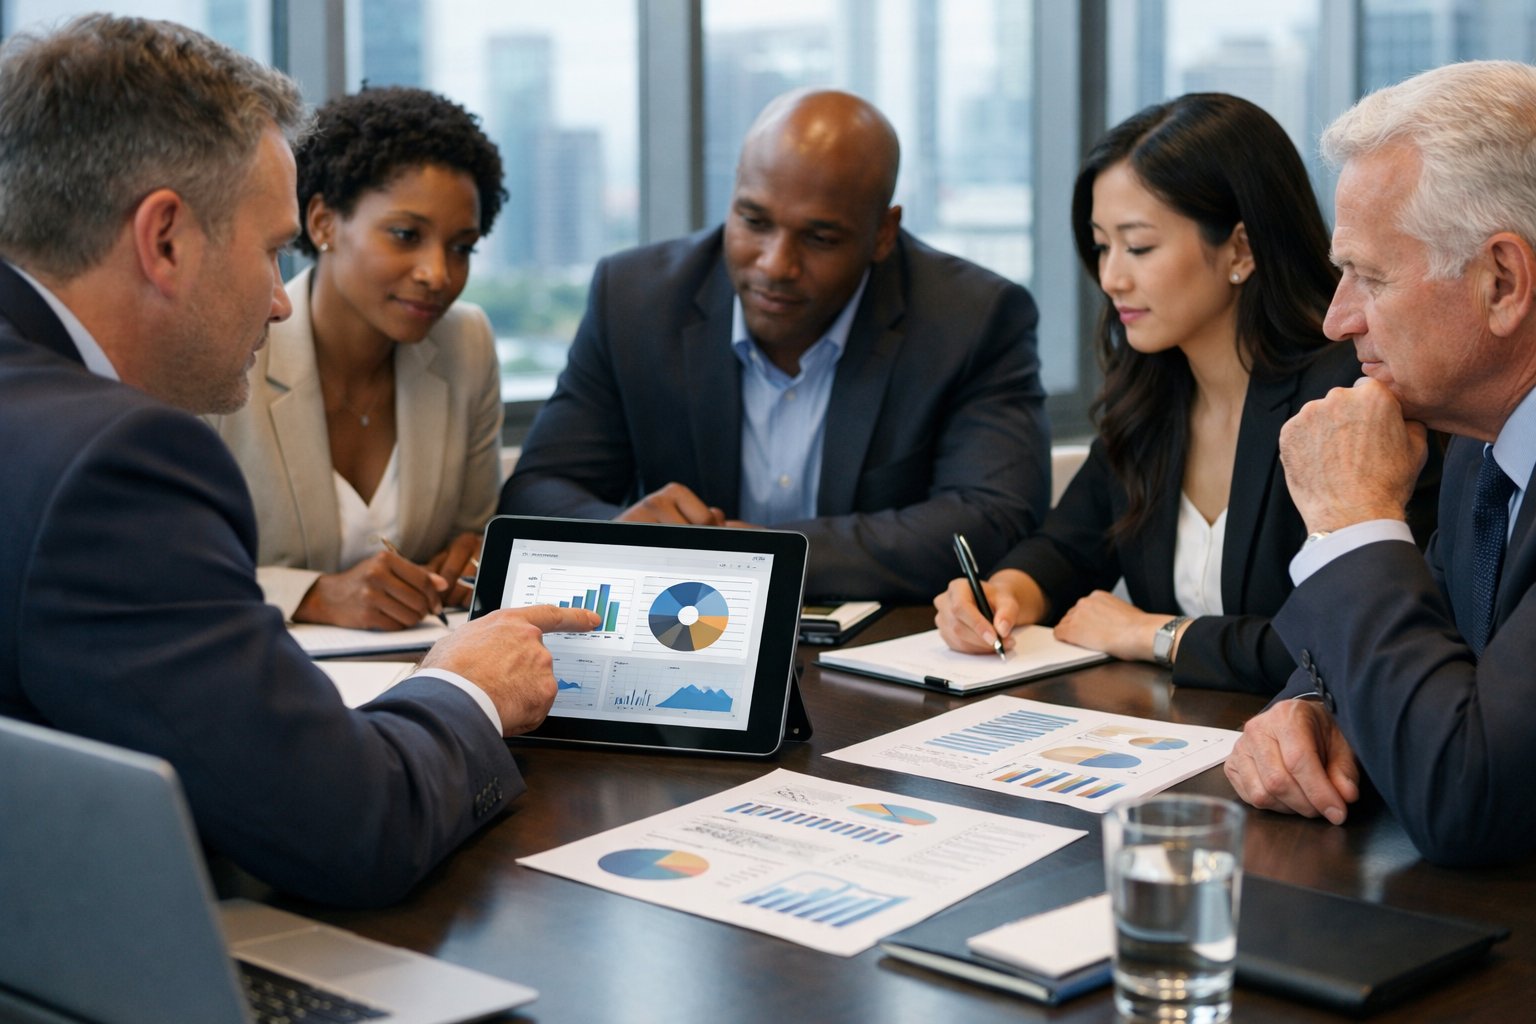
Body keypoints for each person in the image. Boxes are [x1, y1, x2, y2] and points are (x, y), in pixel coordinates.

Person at [0, 15, 596, 907]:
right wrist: (464, 688)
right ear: (164, 239)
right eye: (273, 251)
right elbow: (354, 824)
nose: (280, 301)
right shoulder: (114, 461)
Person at [936, 93, 1438, 694]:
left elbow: (1350, 638)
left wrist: (1158, 634)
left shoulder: (1348, 400)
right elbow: (1067, 547)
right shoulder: (1152, 394)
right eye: (1101, 246)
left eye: (1139, 247)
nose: (1111, 278)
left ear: (1240, 249)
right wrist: (1003, 593)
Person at [499, 88, 1049, 603]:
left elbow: (993, 517)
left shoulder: (972, 319)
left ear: (884, 232)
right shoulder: (635, 300)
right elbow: (537, 492)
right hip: (683, 629)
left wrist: (768, 554)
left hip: (874, 649)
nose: (775, 264)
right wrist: (627, 534)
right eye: (754, 221)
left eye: (819, 238)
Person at [1224, 61, 1536, 865]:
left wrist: (1353, 518)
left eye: (1369, 277)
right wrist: (1314, 707)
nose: (1337, 320)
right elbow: (1431, 633)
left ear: (1503, 281)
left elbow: (1472, 799)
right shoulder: (1481, 444)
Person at [207, 86, 505, 630]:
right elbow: (169, 564)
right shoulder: (228, 350)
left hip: (419, 664)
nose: (438, 274)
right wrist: (314, 596)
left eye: (461, 247)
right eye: (406, 235)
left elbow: (475, 528)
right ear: (323, 222)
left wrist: (473, 556)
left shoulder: (466, 344)